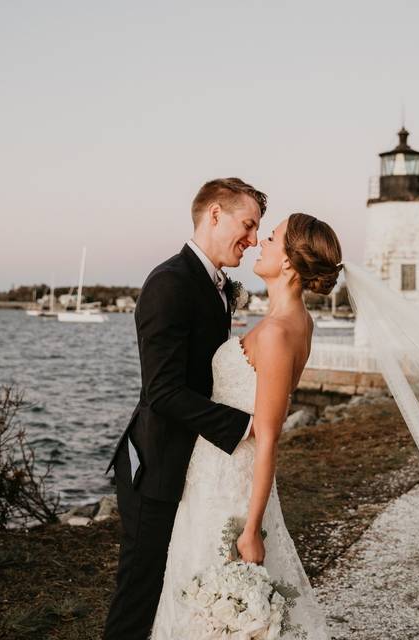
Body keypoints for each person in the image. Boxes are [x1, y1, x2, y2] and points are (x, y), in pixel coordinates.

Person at [151, 213, 341, 639]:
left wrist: (252, 528)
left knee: (212, 596)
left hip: (229, 482)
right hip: (216, 469)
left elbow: (269, 435)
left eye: (271, 238)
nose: (260, 243)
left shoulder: (276, 332)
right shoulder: (297, 321)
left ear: (290, 261)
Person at [102, 177, 266, 640]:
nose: (253, 240)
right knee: (140, 592)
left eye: (258, 231)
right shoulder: (170, 283)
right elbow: (163, 391)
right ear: (215, 214)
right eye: (248, 225)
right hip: (154, 465)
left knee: (174, 587)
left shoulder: (214, 286)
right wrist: (244, 426)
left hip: (191, 464)